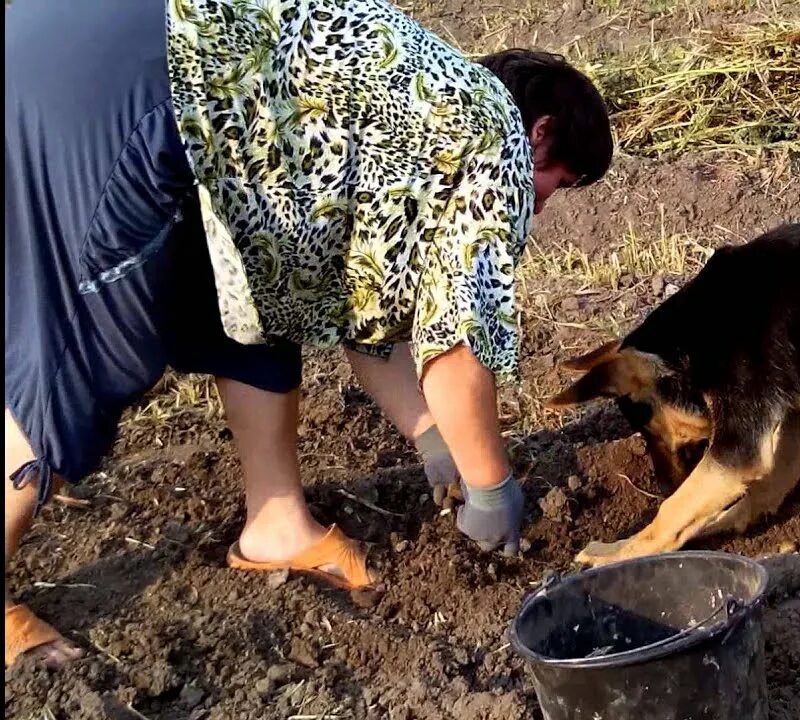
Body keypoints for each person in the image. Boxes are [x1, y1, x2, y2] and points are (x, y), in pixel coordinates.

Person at [4, 0, 613, 668]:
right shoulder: (491, 134)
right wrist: (492, 486)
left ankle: (277, 525)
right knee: (81, 354)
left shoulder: (415, 117)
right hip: (120, 89)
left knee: (254, 299)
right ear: (541, 134)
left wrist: (432, 435)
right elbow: (459, 339)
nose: (539, 206)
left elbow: (363, 308)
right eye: (556, 186)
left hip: (88, 47)